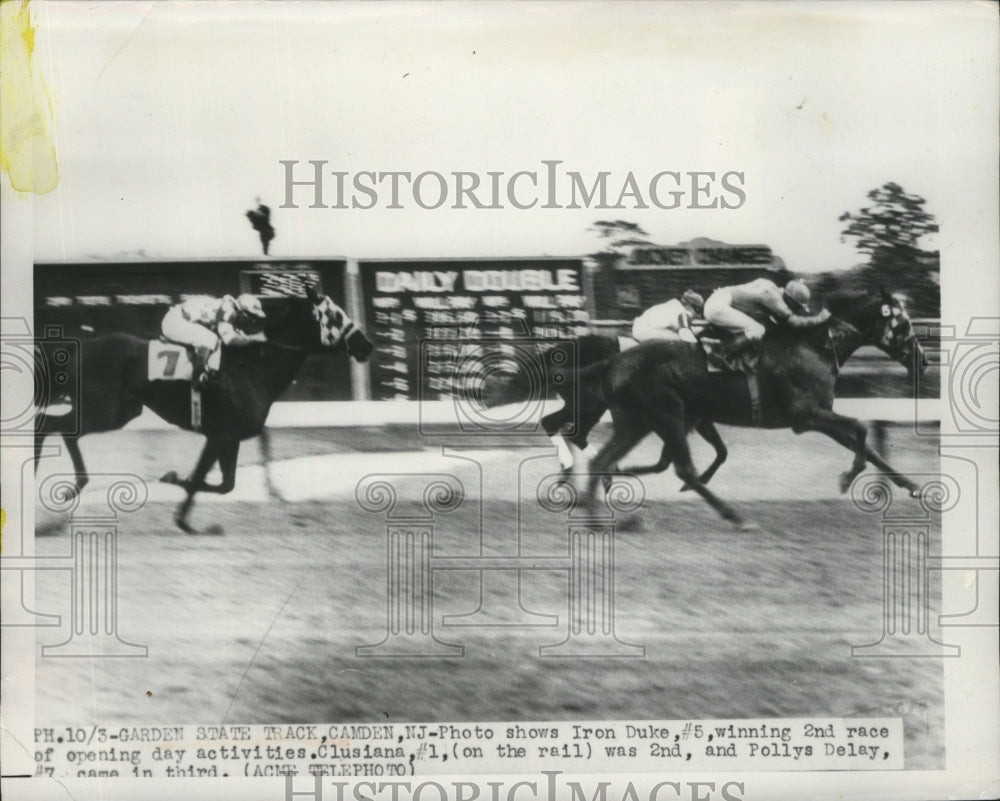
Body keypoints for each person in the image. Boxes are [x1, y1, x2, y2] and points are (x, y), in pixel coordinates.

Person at [161, 293, 267, 383]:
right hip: (174, 321)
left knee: (215, 341)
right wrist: (256, 338)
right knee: (210, 338)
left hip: (182, 319)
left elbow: (238, 336)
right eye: (252, 317)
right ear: (243, 312)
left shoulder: (232, 308)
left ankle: (211, 374)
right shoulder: (229, 311)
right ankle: (198, 377)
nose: (252, 321)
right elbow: (230, 340)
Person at [702, 278, 829, 351]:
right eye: (795, 306)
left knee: (756, 328)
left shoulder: (769, 285)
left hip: (719, 301)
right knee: (757, 330)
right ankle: (721, 352)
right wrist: (819, 319)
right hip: (718, 306)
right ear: (789, 299)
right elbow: (793, 321)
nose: (794, 309)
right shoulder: (772, 296)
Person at [631, 289, 705, 344]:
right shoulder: (682, 311)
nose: (698, 315)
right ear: (688, 304)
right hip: (647, 331)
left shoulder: (670, 306)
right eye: (697, 310)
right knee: (681, 342)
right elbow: (685, 330)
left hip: (640, 328)